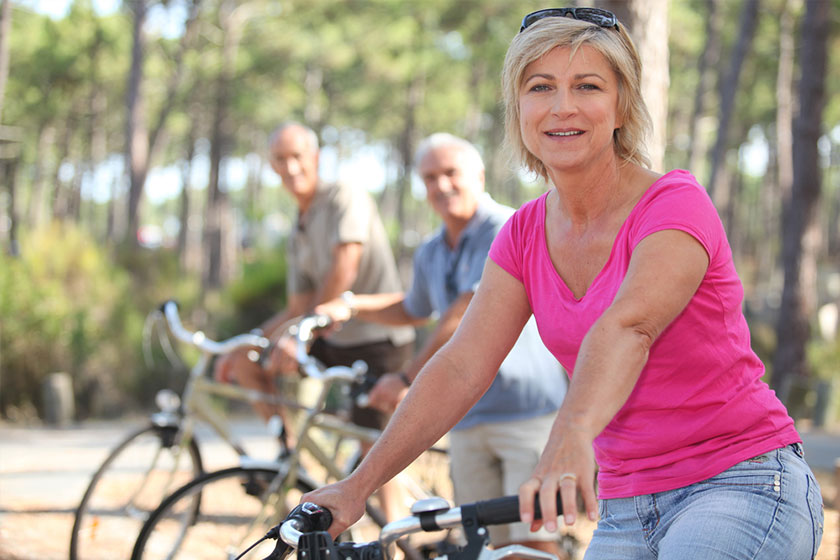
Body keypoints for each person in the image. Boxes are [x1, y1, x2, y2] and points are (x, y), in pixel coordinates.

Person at [300, 8, 824, 559]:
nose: (562, 106)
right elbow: (462, 364)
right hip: (626, 505)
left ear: (622, 105)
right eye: (540, 87)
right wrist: (358, 485)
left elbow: (630, 326)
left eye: (588, 86)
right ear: (519, 108)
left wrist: (570, 434)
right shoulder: (522, 234)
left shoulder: (673, 204)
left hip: (740, 481)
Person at [314, 132, 567, 554]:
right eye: (430, 178)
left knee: (531, 544)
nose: (441, 185)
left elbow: (462, 315)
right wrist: (352, 304)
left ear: (479, 175)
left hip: (528, 413)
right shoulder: (432, 249)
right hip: (466, 418)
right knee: (481, 545)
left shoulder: (506, 227)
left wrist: (403, 377)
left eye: (451, 173)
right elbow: (414, 308)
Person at [213, 122, 415, 518]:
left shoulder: (345, 197)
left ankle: (398, 541)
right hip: (330, 337)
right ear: (271, 166)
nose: (290, 168)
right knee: (247, 362)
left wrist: (302, 336)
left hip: (377, 338)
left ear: (316, 158)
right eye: (280, 160)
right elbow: (296, 306)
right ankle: (291, 453)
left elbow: (345, 268)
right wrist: (247, 342)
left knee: (375, 450)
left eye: (297, 157)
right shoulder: (298, 226)